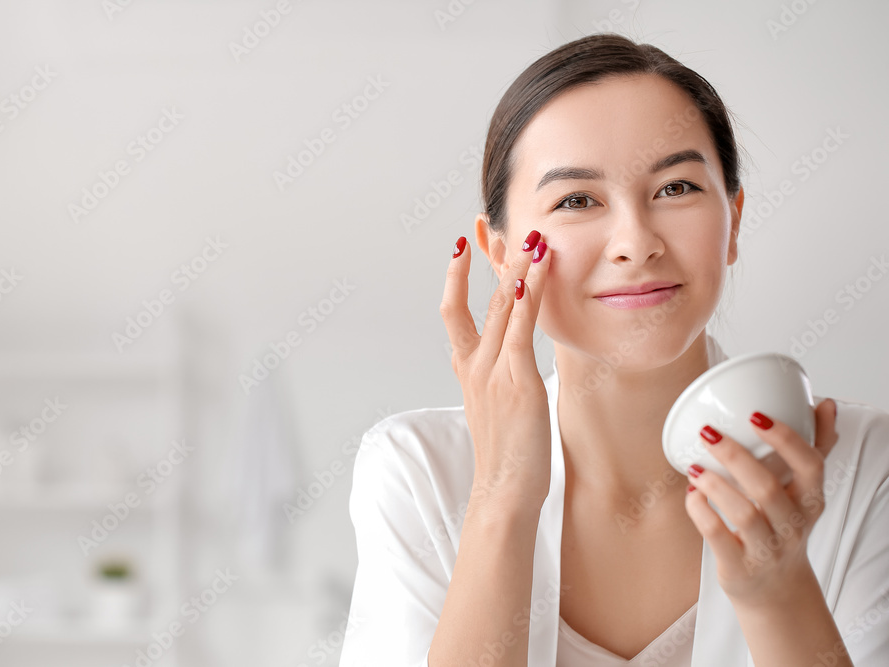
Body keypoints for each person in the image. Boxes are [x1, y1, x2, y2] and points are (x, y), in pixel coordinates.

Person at [338, 33, 889, 666]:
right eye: (576, 200)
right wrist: (501, 499)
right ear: (500, 254)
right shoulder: (418, 473)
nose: (635, 241)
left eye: (676, 188)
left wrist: (777, 595)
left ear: (732, 221)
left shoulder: (863, 468)